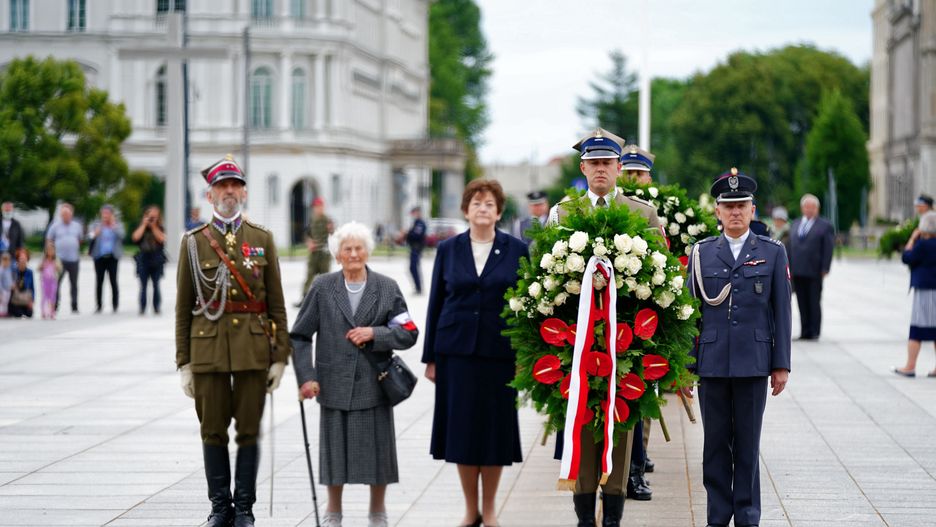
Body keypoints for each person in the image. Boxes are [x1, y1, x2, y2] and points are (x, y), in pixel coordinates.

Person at [548, 128, 661, 527]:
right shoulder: (565, 214)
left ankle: (612, 515)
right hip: (574, 345)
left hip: (624, 342)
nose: (600, 169)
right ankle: (583, 516)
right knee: (580, 424)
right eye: (593, 163)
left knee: (622, 424)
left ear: (618, 168)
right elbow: (544, 278)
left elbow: (659, 282)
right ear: (583, 167)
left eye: (607, 163)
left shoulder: (642, 214)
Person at [175, 155, 291, 527]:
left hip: (253, 349)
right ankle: (219, 507)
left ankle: (244, 509)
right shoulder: (192, 244)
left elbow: (277, 303)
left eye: (234, 185)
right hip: (207, 349)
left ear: (243, 192)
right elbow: (182, 308)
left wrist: (280, 357)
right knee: (212, 430)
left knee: (248, 431)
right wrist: (184, 363)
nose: (228, 191)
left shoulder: (262, 238)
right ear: (209, 196)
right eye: (221, 186)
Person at [291, 222, 419, 527]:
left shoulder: (387, 288)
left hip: (375, 385)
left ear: (367, 251)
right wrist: (306, 377)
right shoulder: (323, 287)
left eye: (359, 247)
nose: (353, 253)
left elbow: (409, 332)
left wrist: (375, 333)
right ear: (337, 256)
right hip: (332, 384)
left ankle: (378, 512)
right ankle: (333, 512)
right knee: (334, 454)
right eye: (346, 249)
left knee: (379, 455)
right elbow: (299, 335)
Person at [684, 168, 792, 527]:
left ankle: (747, 515)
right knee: (715, 443)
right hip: (712, 363)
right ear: (717, 211)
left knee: (747, 443)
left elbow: (782, 312)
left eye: (741, 205)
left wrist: (781, 364)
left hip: (753, 362)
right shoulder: (701, 254)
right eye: (728, 205)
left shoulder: (773, 253)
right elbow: (690, 315)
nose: (735, 212)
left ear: (752, 209)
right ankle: (718, 515)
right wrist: (685, 365)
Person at [422, 179, 529, 527]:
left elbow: (525, 306)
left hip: (500, 353)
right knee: (463, 432)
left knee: (494, 432)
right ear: (466, 210)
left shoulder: (516, 249)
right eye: (476, 203)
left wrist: (524, 358)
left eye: (489, 203)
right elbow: (436, 302)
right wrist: (431, 358)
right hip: (456, 354)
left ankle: (491, 508)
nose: (482, 208)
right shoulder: (448, 249)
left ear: (499, 212)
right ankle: (471, 509)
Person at [617, 144, 657, 502]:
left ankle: (635, 467)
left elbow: (662, 267)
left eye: (637, 173)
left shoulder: (648, 212)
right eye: (626, 172)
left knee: (637, 394)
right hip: (592, 323)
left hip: (635, 321)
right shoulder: (576, 210)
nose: (632, 179)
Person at [894, 211, 936, 378]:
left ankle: (910, 366)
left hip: (925, 290)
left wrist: (912, 239)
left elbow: (907, 257)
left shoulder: (923, 245)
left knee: (917, 328)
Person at [788, 194, 835, 340]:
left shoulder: (824, 226)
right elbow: (790, 246)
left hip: (814, 270)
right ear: (802, 208)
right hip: (797, 269)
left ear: (817, 209)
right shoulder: (795, 224)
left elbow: (828, 248)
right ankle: (804, 331)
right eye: (807, 207)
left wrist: (825, 268)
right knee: (801, 302)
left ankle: (814, 331)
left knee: (814, 301)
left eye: (812, 207)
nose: (809, 210)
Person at [46, 203, 83, 313]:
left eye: (68, 214)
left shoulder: (77, 226)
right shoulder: (55, 226)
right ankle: (55, 305)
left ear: (71, 214)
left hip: (73, 259)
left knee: (74, 284)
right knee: (56, 283)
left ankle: (74, 305)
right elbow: (49, 239)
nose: (66, 216)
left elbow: (80, 239)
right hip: (59, 259)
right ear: (61, 215)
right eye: (63, 214)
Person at [89, 204, 125, 314]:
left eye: (108, 213)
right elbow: (90, 236)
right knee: (99, 281)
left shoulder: (117, 225)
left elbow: (122, 235)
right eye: (104, 213)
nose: (105, 215)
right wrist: (96, 232)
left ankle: (115, 304)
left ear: (112, 214)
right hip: (99, 257)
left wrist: (113, 226)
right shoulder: (96, 224)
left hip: (112, 257)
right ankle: (99, 305)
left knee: (113, 281)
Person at [132, 206, 167, 315]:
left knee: (156, 284)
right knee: (143, 286)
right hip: (143, 259)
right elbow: (135, 238)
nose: (152, 218)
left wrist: (153, 226)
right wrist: (144, 224)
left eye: (155, 216)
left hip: (156, 259)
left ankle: (156, 307)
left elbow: (162, 239)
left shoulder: (160, 227)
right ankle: (142, 307)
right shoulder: (142, 226)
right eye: (150, 216)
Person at [301, 196, 334, 299]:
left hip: (324, 253)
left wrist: (331, 230)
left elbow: (334, 235)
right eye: (316, 206)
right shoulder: (312, 220)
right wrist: (309, 242)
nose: (318, 208)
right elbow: (306, 234)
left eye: (320, 206)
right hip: (314, 252)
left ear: (323, 207)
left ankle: (326, 298)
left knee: (325, 277)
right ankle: (304, 297)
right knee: (309, 275)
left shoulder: (328, 220)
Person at [405, 206, 427, 294]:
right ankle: (418, 287)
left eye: (414, 213)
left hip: (416, 248)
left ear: (418, 213)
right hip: (414, 247)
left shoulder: (420, 223)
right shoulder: (416, 222)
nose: (412, 215)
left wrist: (408, 234)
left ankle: (419, 288)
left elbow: (417, 235)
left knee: (413, 267)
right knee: (413, 267)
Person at [9, 248, 35, 318]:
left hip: (25, 298)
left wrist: (32, 300)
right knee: (18, 314)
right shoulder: (13, 271)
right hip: (16, 298)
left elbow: (32, 287)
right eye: (21, 258)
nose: (23, 260)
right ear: (17, 259)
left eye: (24, 258)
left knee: (29, 314)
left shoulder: (30, 272)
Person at [38, 240, 61, 320]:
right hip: (45, 281)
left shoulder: (55, 260)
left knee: (52, 297)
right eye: (48, 250)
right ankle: (43, 312)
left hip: (52, 281)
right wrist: (42, 266)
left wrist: (56, 266)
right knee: (44, 296)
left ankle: (52, 312)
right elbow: (39, 268)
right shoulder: (44, 260)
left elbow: (59, 269)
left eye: (52, 250)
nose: (50, 252)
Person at [0, 252, 12, 317]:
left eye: (8, 260)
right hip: (3, 290)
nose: (7, 262)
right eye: (5, 260)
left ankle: (5, 312)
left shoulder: (8, 269)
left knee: (6, 302)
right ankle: (1, 312)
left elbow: (9, 278)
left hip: (8, 289)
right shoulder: (1, 269)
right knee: (2, 302)